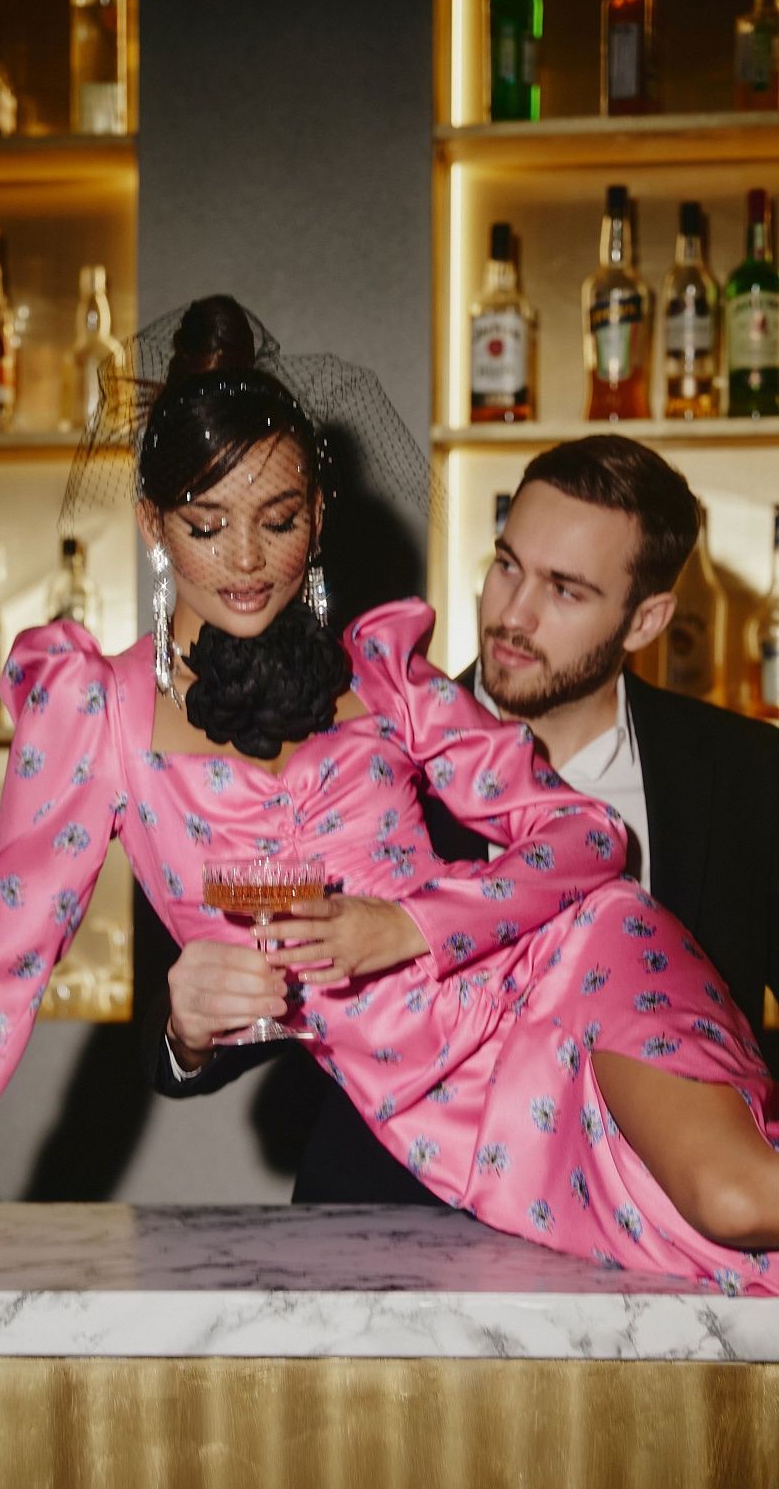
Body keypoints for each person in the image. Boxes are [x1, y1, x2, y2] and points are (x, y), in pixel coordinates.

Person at [0, 299, 777, 1297]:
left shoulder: (384, 675)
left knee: (737, 1200)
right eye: (205, 525)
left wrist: (407, 925)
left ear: (318, 515)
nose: (247, 561)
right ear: (153, 524)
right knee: (738, 1248)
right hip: (453, 1124)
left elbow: (588, 835)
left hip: (575, 971)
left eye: (279, 520)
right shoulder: (95, 711)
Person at [149, 434, 779, 1207]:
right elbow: (235, 1005)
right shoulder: (361, 747)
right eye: (507, 565)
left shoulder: (747, 773)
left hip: (674, 1238)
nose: (513, 614)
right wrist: (190, 1032)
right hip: (399, 1228)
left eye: (565, 590)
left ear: (646, 620)